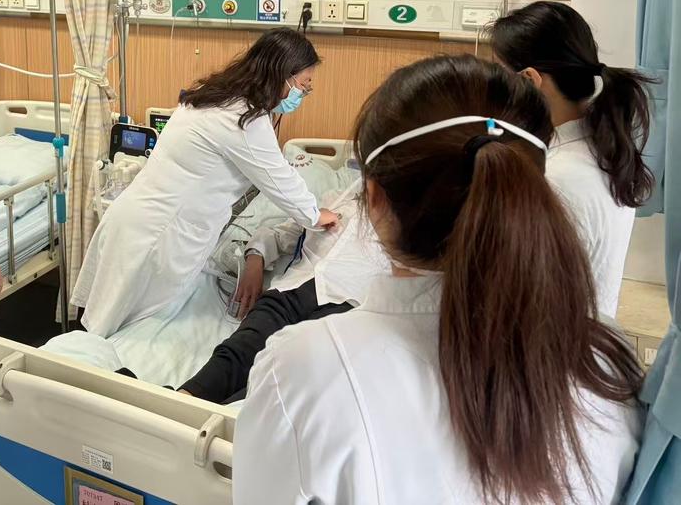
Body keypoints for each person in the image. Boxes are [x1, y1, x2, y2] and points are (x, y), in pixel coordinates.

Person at [233, 55, 644, 504]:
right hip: (302, 289)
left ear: (373, 197)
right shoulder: (608, 363)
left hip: (335, 301)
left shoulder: (305, 370)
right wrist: (257, 251)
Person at [72, 28, 339, 337]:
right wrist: (316, 215)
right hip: (159, 236)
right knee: (116, 330)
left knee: (103, 322)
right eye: (303, 85)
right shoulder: (245, 120)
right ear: (283, 74)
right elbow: (280, 180)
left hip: (136, 217)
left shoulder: (213, 95)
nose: (303, 93)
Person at [491, 1, 655, 316]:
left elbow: (525, 301)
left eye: (500, 76)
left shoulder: (555, 179)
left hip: (556, 339)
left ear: (529, 80)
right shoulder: (605, 149)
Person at [179, 181, 389, 403]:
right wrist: (255, 258)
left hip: (345, 305)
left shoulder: (401, 225)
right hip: (290, 291)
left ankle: (224, 418)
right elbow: (284, 232)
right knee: (239, 350)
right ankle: (179, 404)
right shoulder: (337, 198)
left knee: (280, 379)